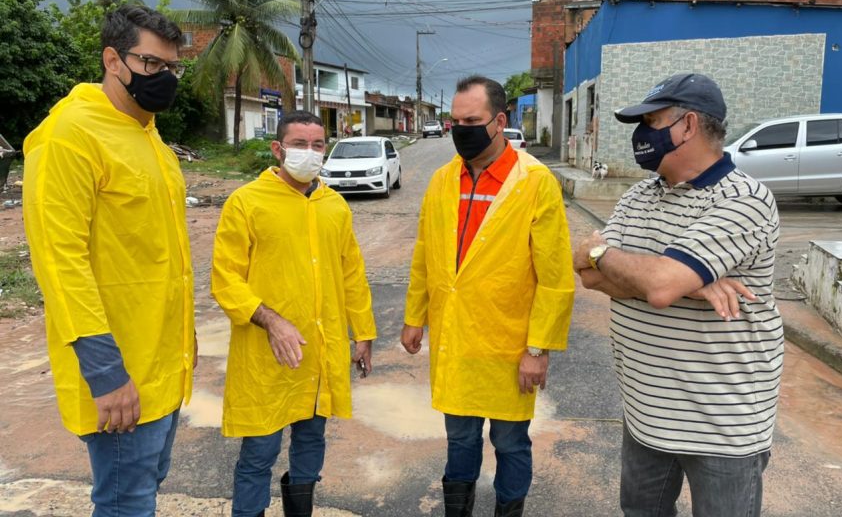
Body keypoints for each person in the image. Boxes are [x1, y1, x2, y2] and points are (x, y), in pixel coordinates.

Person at [573, 73, 782, 517]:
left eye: (651, 120)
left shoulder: (744, 200)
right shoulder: (637, 197)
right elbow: (588, 274)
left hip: (722, 428)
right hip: (646, 417)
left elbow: (660, 285)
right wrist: (693, 282)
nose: (641, 134)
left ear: (688, 125)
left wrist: (608, 254)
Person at [22, 5, 194, 516]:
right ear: (112, 60)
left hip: (163, 364)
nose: (163, 77)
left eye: (171, 67)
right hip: (120, 373)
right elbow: (59, 260)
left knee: (145, 488)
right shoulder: (69, 136)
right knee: (126, 503)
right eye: (150, 64)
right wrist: (105, 372)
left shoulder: (149, 136)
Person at [401, 75, 575, 517]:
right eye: (455, 121)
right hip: (455, 341)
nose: (462, 129)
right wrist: (414, 316)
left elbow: (555, 277)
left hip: (510, 344)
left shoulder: (534, 182)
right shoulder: (442, 180)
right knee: (459, 439)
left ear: (499, 121)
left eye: (472, 120)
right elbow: (426, 252)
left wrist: (538, 348)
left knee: (510, 441)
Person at [211, 110, 377, 517]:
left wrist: (364, 335)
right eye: (300, 144)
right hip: (267, 358)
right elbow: (225, 279)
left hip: (318, 355)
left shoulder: (334, 206)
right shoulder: (247, 203)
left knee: (310, 444)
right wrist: (270, 319)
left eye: (317, 145)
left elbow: (352, 274)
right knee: (259, 454)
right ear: (278, 148)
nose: (309, 152)